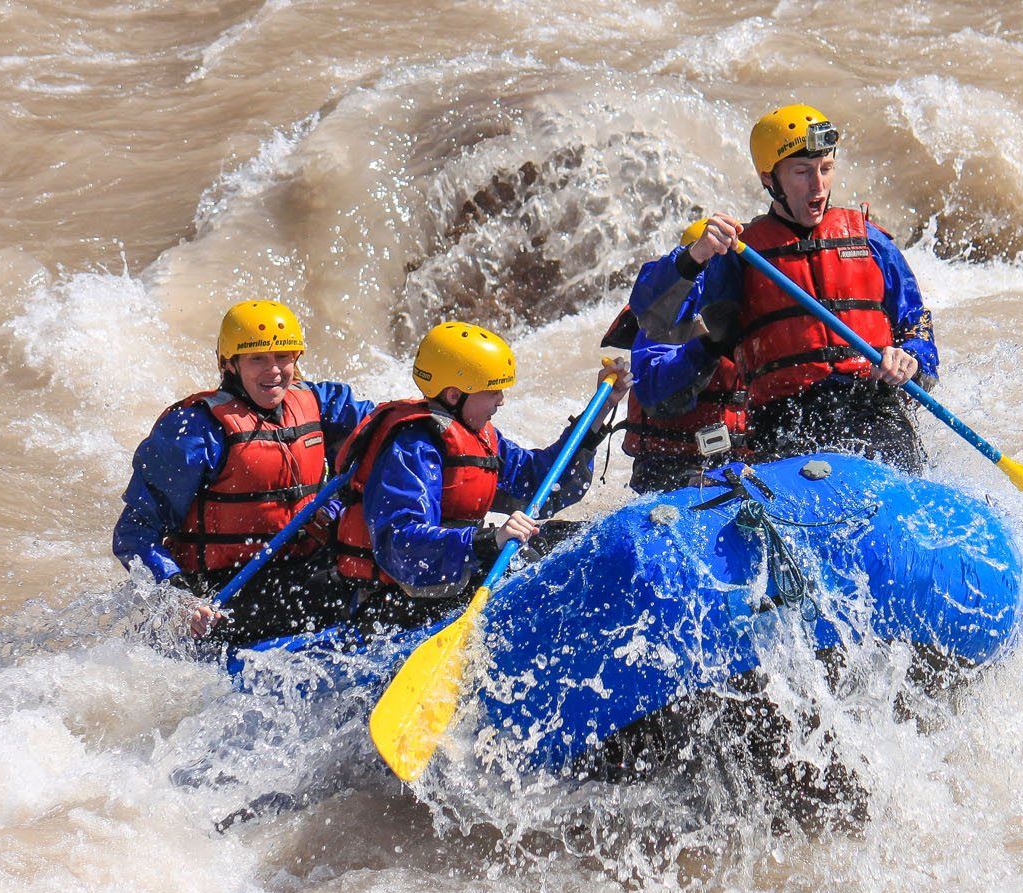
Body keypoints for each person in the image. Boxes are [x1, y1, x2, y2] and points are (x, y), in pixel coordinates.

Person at [628, 104, 940, 471]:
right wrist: (694, 255)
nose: (818, 185)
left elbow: (916, 322)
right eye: (802, 172)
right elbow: (653, 315)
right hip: (788, 424)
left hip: (876, 411)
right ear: (768, 179)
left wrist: (912, 357)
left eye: (826, 168)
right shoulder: (739, 257)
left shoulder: (871, 241)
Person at [333, 321, 631, 630]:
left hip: (451, 578)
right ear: (453, 395)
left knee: (585, 540)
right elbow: (402, 545)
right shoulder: (411, 448)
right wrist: (490, 541)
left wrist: (599, 411)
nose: (501, 400)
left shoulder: (479, 435)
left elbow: (540, 483)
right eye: (493, 391)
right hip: (395, 602)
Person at [114, 300, 374, 646]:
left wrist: (337, 506)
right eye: (258, 359)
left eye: (284, 358)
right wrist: (178, 597)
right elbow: (133, 534)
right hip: (226, 591)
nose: (275, 371)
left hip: (304, 566)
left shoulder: (322, 402)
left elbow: (384, 439)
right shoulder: (194, 432)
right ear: (229, 365)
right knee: (353, 589)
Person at [601, 223, 749, 494]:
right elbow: (655, 391)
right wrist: (708, 345)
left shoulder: (746, 300)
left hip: (736, 460)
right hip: (668, 468)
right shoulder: (662, 316)